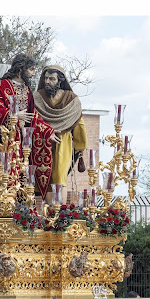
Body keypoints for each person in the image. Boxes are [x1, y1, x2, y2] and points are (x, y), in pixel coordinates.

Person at [0, 54, 55, 198]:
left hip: (22, 145)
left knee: (22, 182)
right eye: (30, 69)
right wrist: (14, 115)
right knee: (4, 179)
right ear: (20, 69)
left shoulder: (27, 90)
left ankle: (20, 214)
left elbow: (33, 115)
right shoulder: (3, 85)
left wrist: (48, 131)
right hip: (6, 142)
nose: (33, 73)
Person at [33, 65, 88, 204]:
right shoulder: (37, 97)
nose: (47, 81)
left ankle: (57, 215)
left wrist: (81, 146)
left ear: (60, 81)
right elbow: (33, 118)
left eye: (51, 79)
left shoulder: (71, 98)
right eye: (46, 78)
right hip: (42, 141)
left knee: (59, 177)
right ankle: (47, 216)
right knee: (45, 177)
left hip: (63, 141)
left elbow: (77, 121)